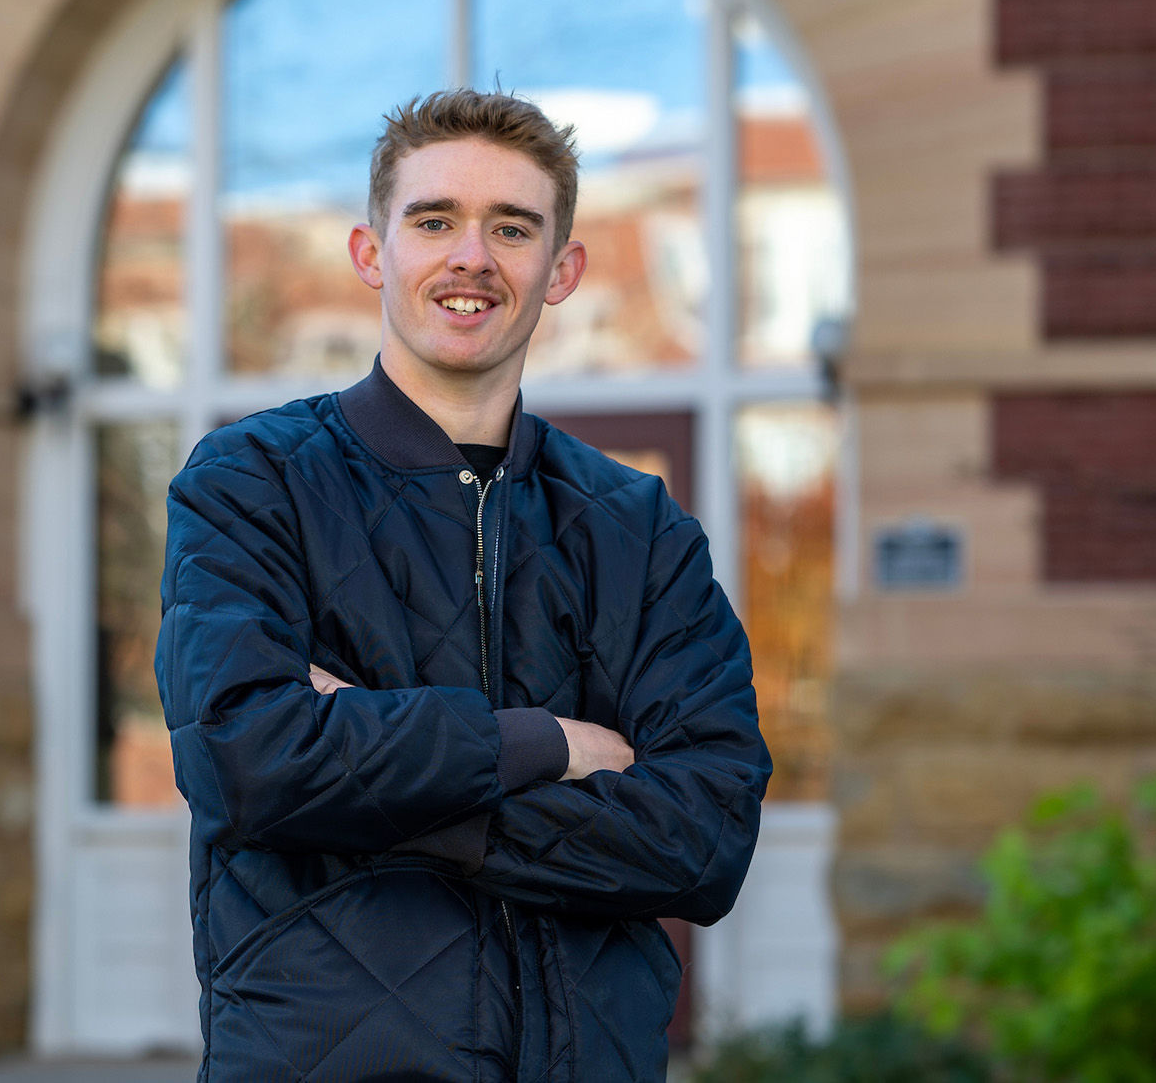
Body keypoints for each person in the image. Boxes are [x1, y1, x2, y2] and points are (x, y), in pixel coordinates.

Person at [156, 88, 770, 1083]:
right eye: (434, 219)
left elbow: (703, 839)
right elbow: (244, 760)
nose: (470, 255)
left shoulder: (638, 528)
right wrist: (545, 745)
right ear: (372, 252)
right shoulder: (252, 481)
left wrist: (379, 775)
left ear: (561, 269)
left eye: (511, 227)